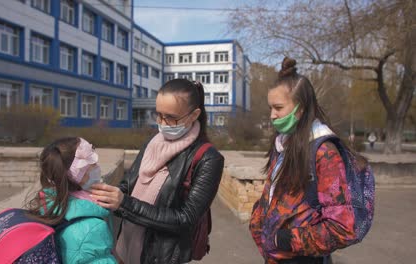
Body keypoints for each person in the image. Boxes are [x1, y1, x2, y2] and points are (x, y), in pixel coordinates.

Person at [90, 79, 225, 264]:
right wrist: (111, 194)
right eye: (158, 115)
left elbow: (185, 219)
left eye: (170, 117)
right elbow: (129, 182)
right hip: (124, 246)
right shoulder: (153, 142)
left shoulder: (208, 158)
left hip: (159, 257)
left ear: (194, 115)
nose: (162, 123)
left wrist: (125, 203)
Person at [249, 57, 366, 264]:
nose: (272, 115)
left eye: (278, 108)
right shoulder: (283, 144)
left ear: (300, 108)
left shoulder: (324, 153)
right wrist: (257, 223)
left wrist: (285, 240)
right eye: (270, 108)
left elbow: (343, 227)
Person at [26, 137, 116, 264]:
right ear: (81, 174)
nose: (97, 166)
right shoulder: (93, 227)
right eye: (93, 164)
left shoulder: (46, 203)